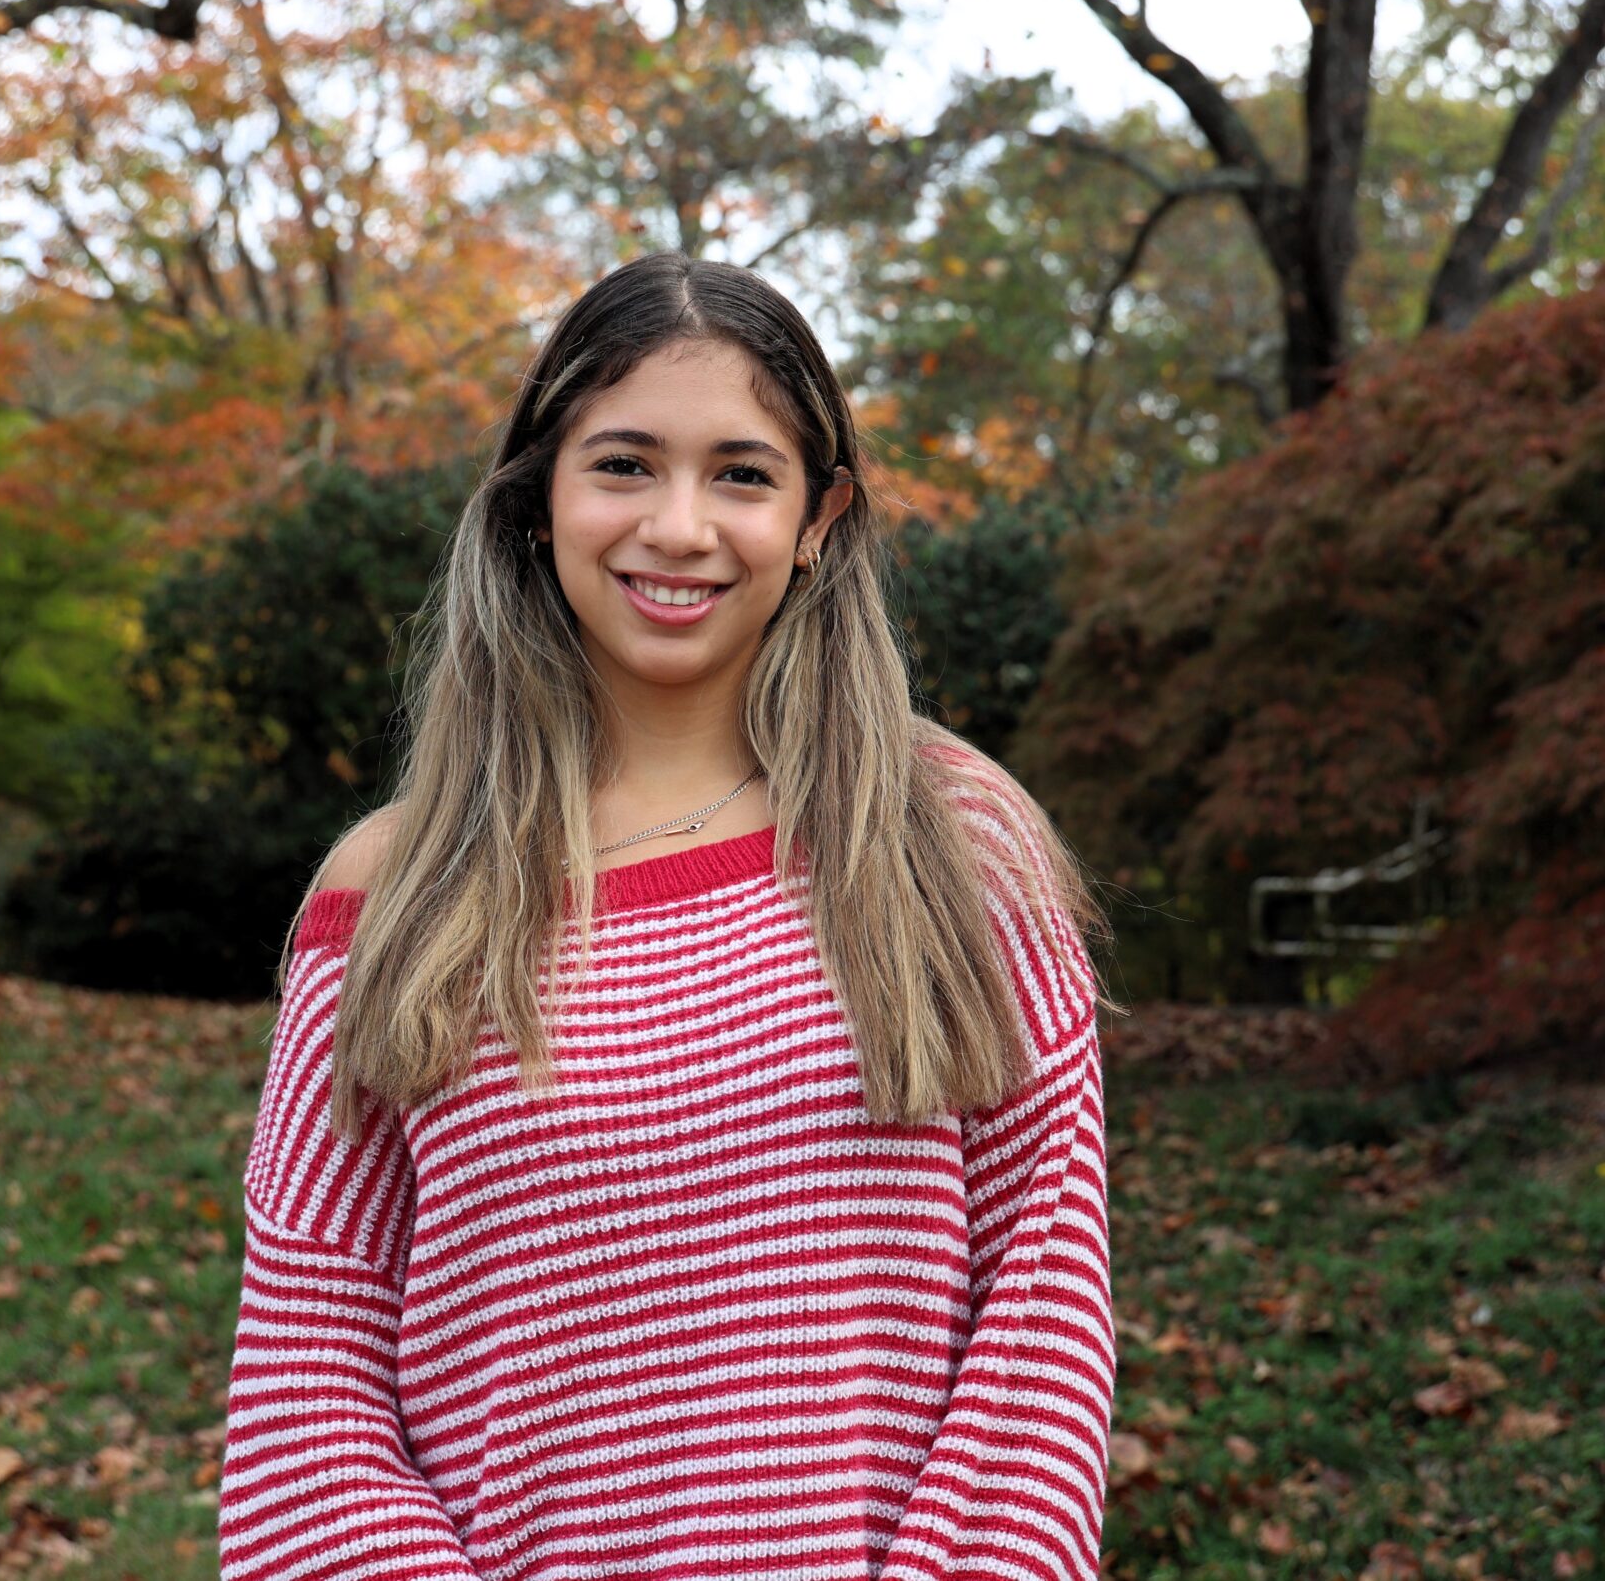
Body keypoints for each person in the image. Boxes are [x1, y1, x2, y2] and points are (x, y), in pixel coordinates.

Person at [215, 250, 1123, 1580]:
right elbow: (308, 1377)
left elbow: (1042, 1311)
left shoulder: (954, 842)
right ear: (540, 499)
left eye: (742, 474)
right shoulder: (396, 889)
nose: (680, 527)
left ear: (819, 518)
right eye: (625, 465)